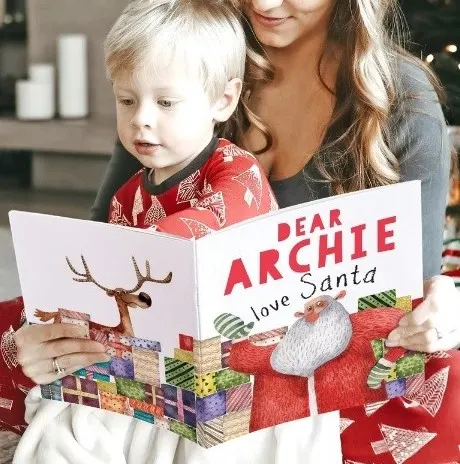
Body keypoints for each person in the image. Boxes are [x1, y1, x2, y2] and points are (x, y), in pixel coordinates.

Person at [2, 0, 460, 462]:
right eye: (128, 101)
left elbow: (413, 290)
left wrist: (440, 302)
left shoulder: (400, 97)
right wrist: (51, 335)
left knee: (443, 368)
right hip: (165, 348)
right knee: (19, 334)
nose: (262, 3)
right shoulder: (182, 51)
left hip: (301, 352)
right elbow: (107, 239)